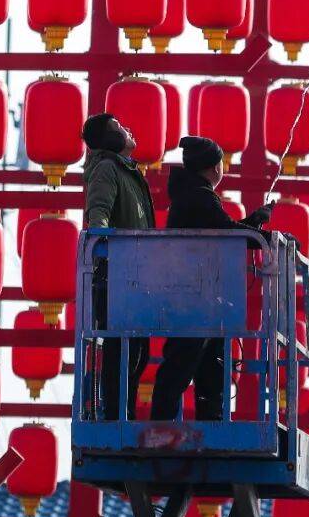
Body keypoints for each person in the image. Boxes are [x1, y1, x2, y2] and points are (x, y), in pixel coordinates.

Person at [149, 135, 271, 423]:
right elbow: (225, 231)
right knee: (187, 364)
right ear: (215, 167)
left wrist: (254, 222)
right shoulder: (200, 196)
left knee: (203, 364)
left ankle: (173, 422)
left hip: (194, 294)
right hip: (194, 296)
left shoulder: (190, 193)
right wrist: (266, 238)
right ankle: (172, 424)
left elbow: (222, 228)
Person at [83, 112, 155, 420]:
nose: (127, 128)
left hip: (135, 273)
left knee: (137, 352)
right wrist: (100, 243)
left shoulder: (126, 170)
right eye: (119, 127)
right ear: (109, 139)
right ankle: (117, 416)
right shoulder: (108, 168)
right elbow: (99, 210)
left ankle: (124, 414)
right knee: (122, 350)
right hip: (119, 274)